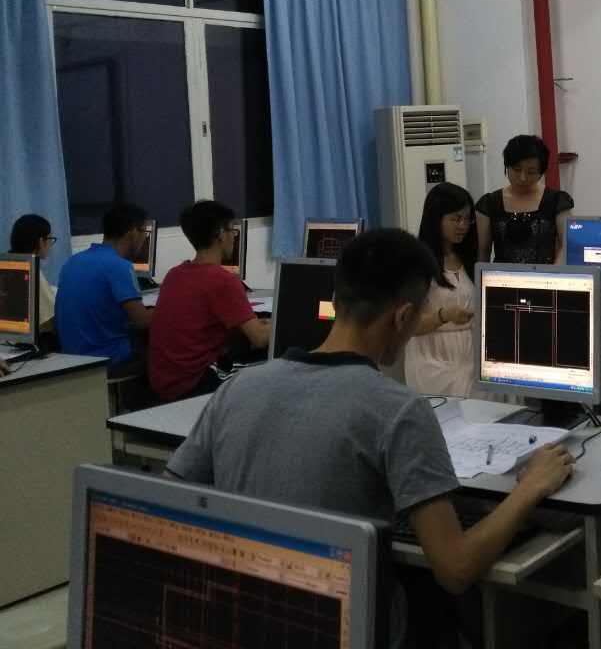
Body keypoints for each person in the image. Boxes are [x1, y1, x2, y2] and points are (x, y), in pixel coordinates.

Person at [167, 229, 573, 648]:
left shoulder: (238, 388)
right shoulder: (397, 410)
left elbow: (168, 497)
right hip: (345, 628)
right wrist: (529, 488)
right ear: (402, 318)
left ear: (337, 299)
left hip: (245, 619)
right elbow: (456, 569)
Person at [147, 201, 271, 402]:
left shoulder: (174, 274)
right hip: (195, 383)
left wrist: (256, 323)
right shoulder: (222, 280)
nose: (234, 237)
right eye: (232, 231)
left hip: (164, 382)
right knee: (279, 367)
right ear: (220, 234)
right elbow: (260, 339)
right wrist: (282, 323)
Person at [55, 202, 152, 367]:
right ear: (132, 231)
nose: (145, 238)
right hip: (107, 359)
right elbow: (142, 321)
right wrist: (171, 304)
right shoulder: (120, 266)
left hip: (72, 359)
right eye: (144, 232)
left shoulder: (73, 261)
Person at [406, 183, 480, 397]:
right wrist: (444, 315)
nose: (463, 225)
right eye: (456, 219)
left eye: (467, 219)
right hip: (432, 360)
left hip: (470, 356)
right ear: (436, 219)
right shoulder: (417, 262)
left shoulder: (470, 259)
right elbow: (409, 325)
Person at [476, 135, 573, 265]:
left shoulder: (557, 201)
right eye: (517, 170)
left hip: (546, 276)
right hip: (501, 276)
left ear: (541, 172)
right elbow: (483, 251)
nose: (522, 178)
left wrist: (554, 273)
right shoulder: (490, 203)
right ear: (507, 166)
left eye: (531, 172)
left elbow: (567, 245)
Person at [9, 213, 58, 334]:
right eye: (50, 239)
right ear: (41, 242)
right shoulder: (31, 270)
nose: (50, 245)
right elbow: (48, 321)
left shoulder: (9, 263)